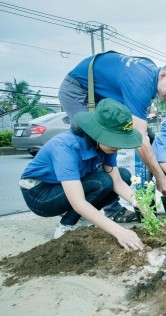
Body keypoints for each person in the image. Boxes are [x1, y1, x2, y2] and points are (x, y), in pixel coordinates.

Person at [58, 52, 166, 217]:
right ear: (163, 75)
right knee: (94, 142)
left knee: (139, 138)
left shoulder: (149, 76)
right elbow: (140, 140)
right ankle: (85, 205)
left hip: (98, 97)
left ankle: (105, 203)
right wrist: (160, 177)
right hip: (78, 90)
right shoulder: (141, 82)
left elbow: (143, 135)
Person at [19, 99, 144, 250]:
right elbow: (78, 202)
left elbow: (117, 181)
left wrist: (140, 204)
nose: (118, 146)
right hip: (39, 194)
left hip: (62, 187)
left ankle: (77, 218)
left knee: (123, 175)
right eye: (114, 140)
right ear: (98, 133)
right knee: (102, 182)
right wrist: (120, 232)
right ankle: (65, 226)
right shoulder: (66, 147)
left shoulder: (107, 147)